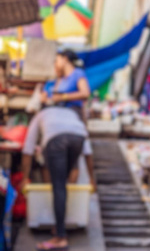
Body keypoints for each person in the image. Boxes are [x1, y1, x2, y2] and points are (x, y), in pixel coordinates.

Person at [19, 107, 94, 251]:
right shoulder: (71, 114)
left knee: (58, 186)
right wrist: (92, 179)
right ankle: (60, 225)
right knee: (63, 183)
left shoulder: (40, 115)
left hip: (55, 140)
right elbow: (88, 152)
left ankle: (60, 237)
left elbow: (28, 149)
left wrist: (24, 177)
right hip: (78, 138)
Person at [42, 49, 90, 120]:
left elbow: (85, 93)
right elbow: (53, 96)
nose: (55, 64)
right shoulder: (60, 78)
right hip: (58, 112)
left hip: (73, 113)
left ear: (65, 59)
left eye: (56, 61)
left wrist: (63, 97)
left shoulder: (77, 73)